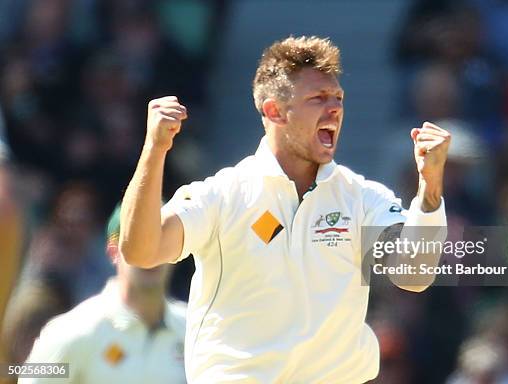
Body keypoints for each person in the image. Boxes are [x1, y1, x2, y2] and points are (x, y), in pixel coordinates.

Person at [120, 36, 450, 382]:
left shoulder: (362, 198)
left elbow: (413, 275)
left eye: (338, 98)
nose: (334, 108)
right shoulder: (224, 194)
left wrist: (429, 190)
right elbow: (142, 250)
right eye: (318, 98)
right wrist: (154, 150)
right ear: (275, 111)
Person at [21, 205, 187, 384]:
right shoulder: (73, 328)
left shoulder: (195, 328)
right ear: (113, 251)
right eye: (138, 239)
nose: (150, 252)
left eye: (161, 239)